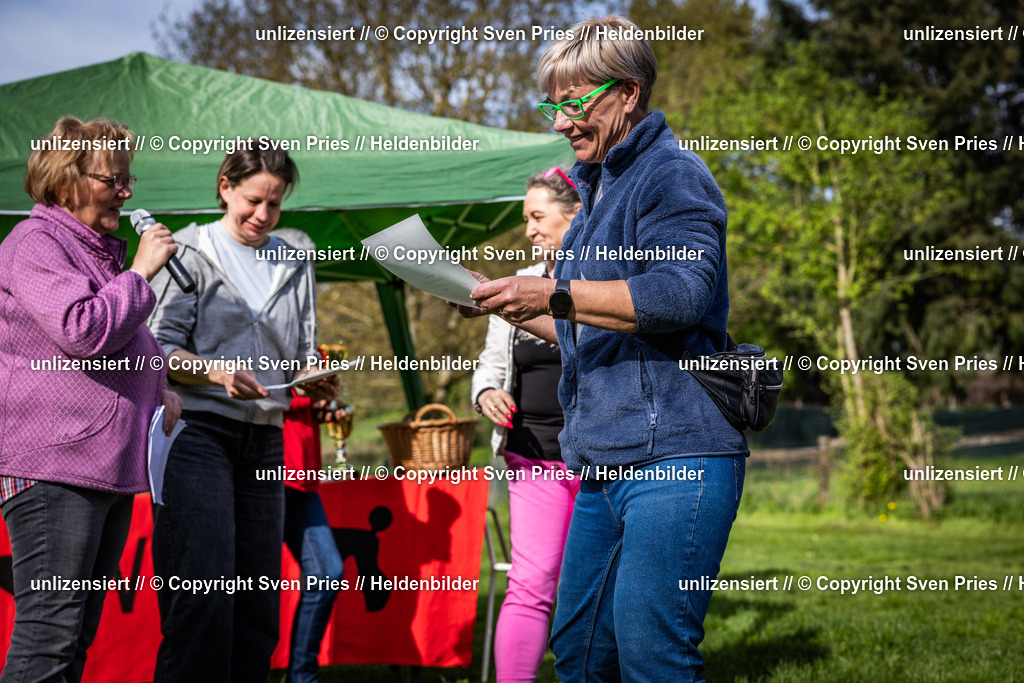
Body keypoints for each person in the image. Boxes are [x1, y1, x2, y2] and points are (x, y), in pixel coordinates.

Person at [463, 15, 748, 682]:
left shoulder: (671, 174)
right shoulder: (594, 195)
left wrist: (554, 295)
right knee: (583, 649)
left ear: (627, 93)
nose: (560, 120)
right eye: (552, 104)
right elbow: (581, 328)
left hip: (676, 454)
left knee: (654, 652)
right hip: (602, 461)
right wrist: (509, 302)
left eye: (574, 100)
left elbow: (678, 295)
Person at [147, 143, 337, 682]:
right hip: (197, 433)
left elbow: (301, 350)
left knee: (259, 600)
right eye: (253, 200)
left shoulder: (295, 255)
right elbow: (156, 348)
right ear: (225, 187)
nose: (262, 215)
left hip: (268, 439)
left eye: (274, 205)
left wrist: (315, 379)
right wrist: (215, 372)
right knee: (203, 595)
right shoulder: (186, 251)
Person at [0, 116, 181, 682]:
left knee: (73, 638)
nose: (126, 194)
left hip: (99, 467)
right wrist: (143, 273)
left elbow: (120, 344)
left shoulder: (92, 252)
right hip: (54, 467)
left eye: (129, 180)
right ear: (64, 182)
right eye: (114, 180)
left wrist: (160, 387)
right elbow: (81, 330)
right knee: (49, 636)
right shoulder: (35, 243)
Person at [471, 168, 580, 682]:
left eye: (538, 217)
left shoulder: (608, 282)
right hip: (533, 455)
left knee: (599, 585)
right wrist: (486, 391)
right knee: (530, 584)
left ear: (575, 214)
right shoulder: (518, 283)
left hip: (604, 460)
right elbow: (492, 362)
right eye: (526, 219)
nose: (530, 229)